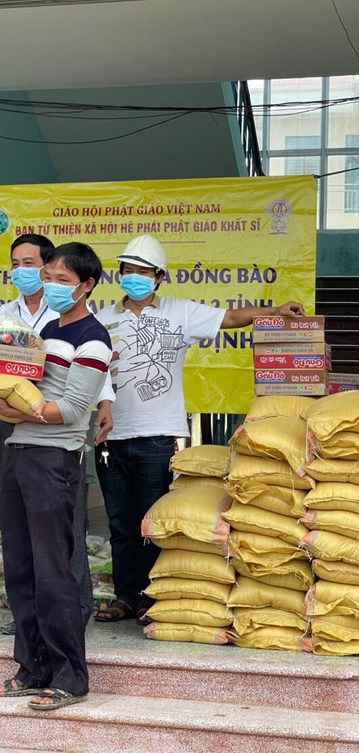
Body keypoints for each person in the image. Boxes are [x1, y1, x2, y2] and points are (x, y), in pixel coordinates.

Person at [94, 235, 305, 624]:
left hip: (159, 435)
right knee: (120, 523)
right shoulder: (102, 320)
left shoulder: (180, 312)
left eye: (143, 272)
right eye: (128, 271)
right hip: (110, 438)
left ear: (159, 277)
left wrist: (274, 309)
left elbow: (231, 318)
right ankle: (125, 597)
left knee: (155, 521)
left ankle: (153, 596)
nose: (134, 277)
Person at [0, 242, 111, 712]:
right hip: (18, 453)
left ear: (87, 286)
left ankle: (71, 676)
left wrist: (10, 408)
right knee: (21, 568)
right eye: (48, 275)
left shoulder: (93, 339)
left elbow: (69, 410)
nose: (51, 285)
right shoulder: (46, 329)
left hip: (54, 462)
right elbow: (18, 386)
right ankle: (31, 667)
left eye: (63, 280)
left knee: (54, 571)